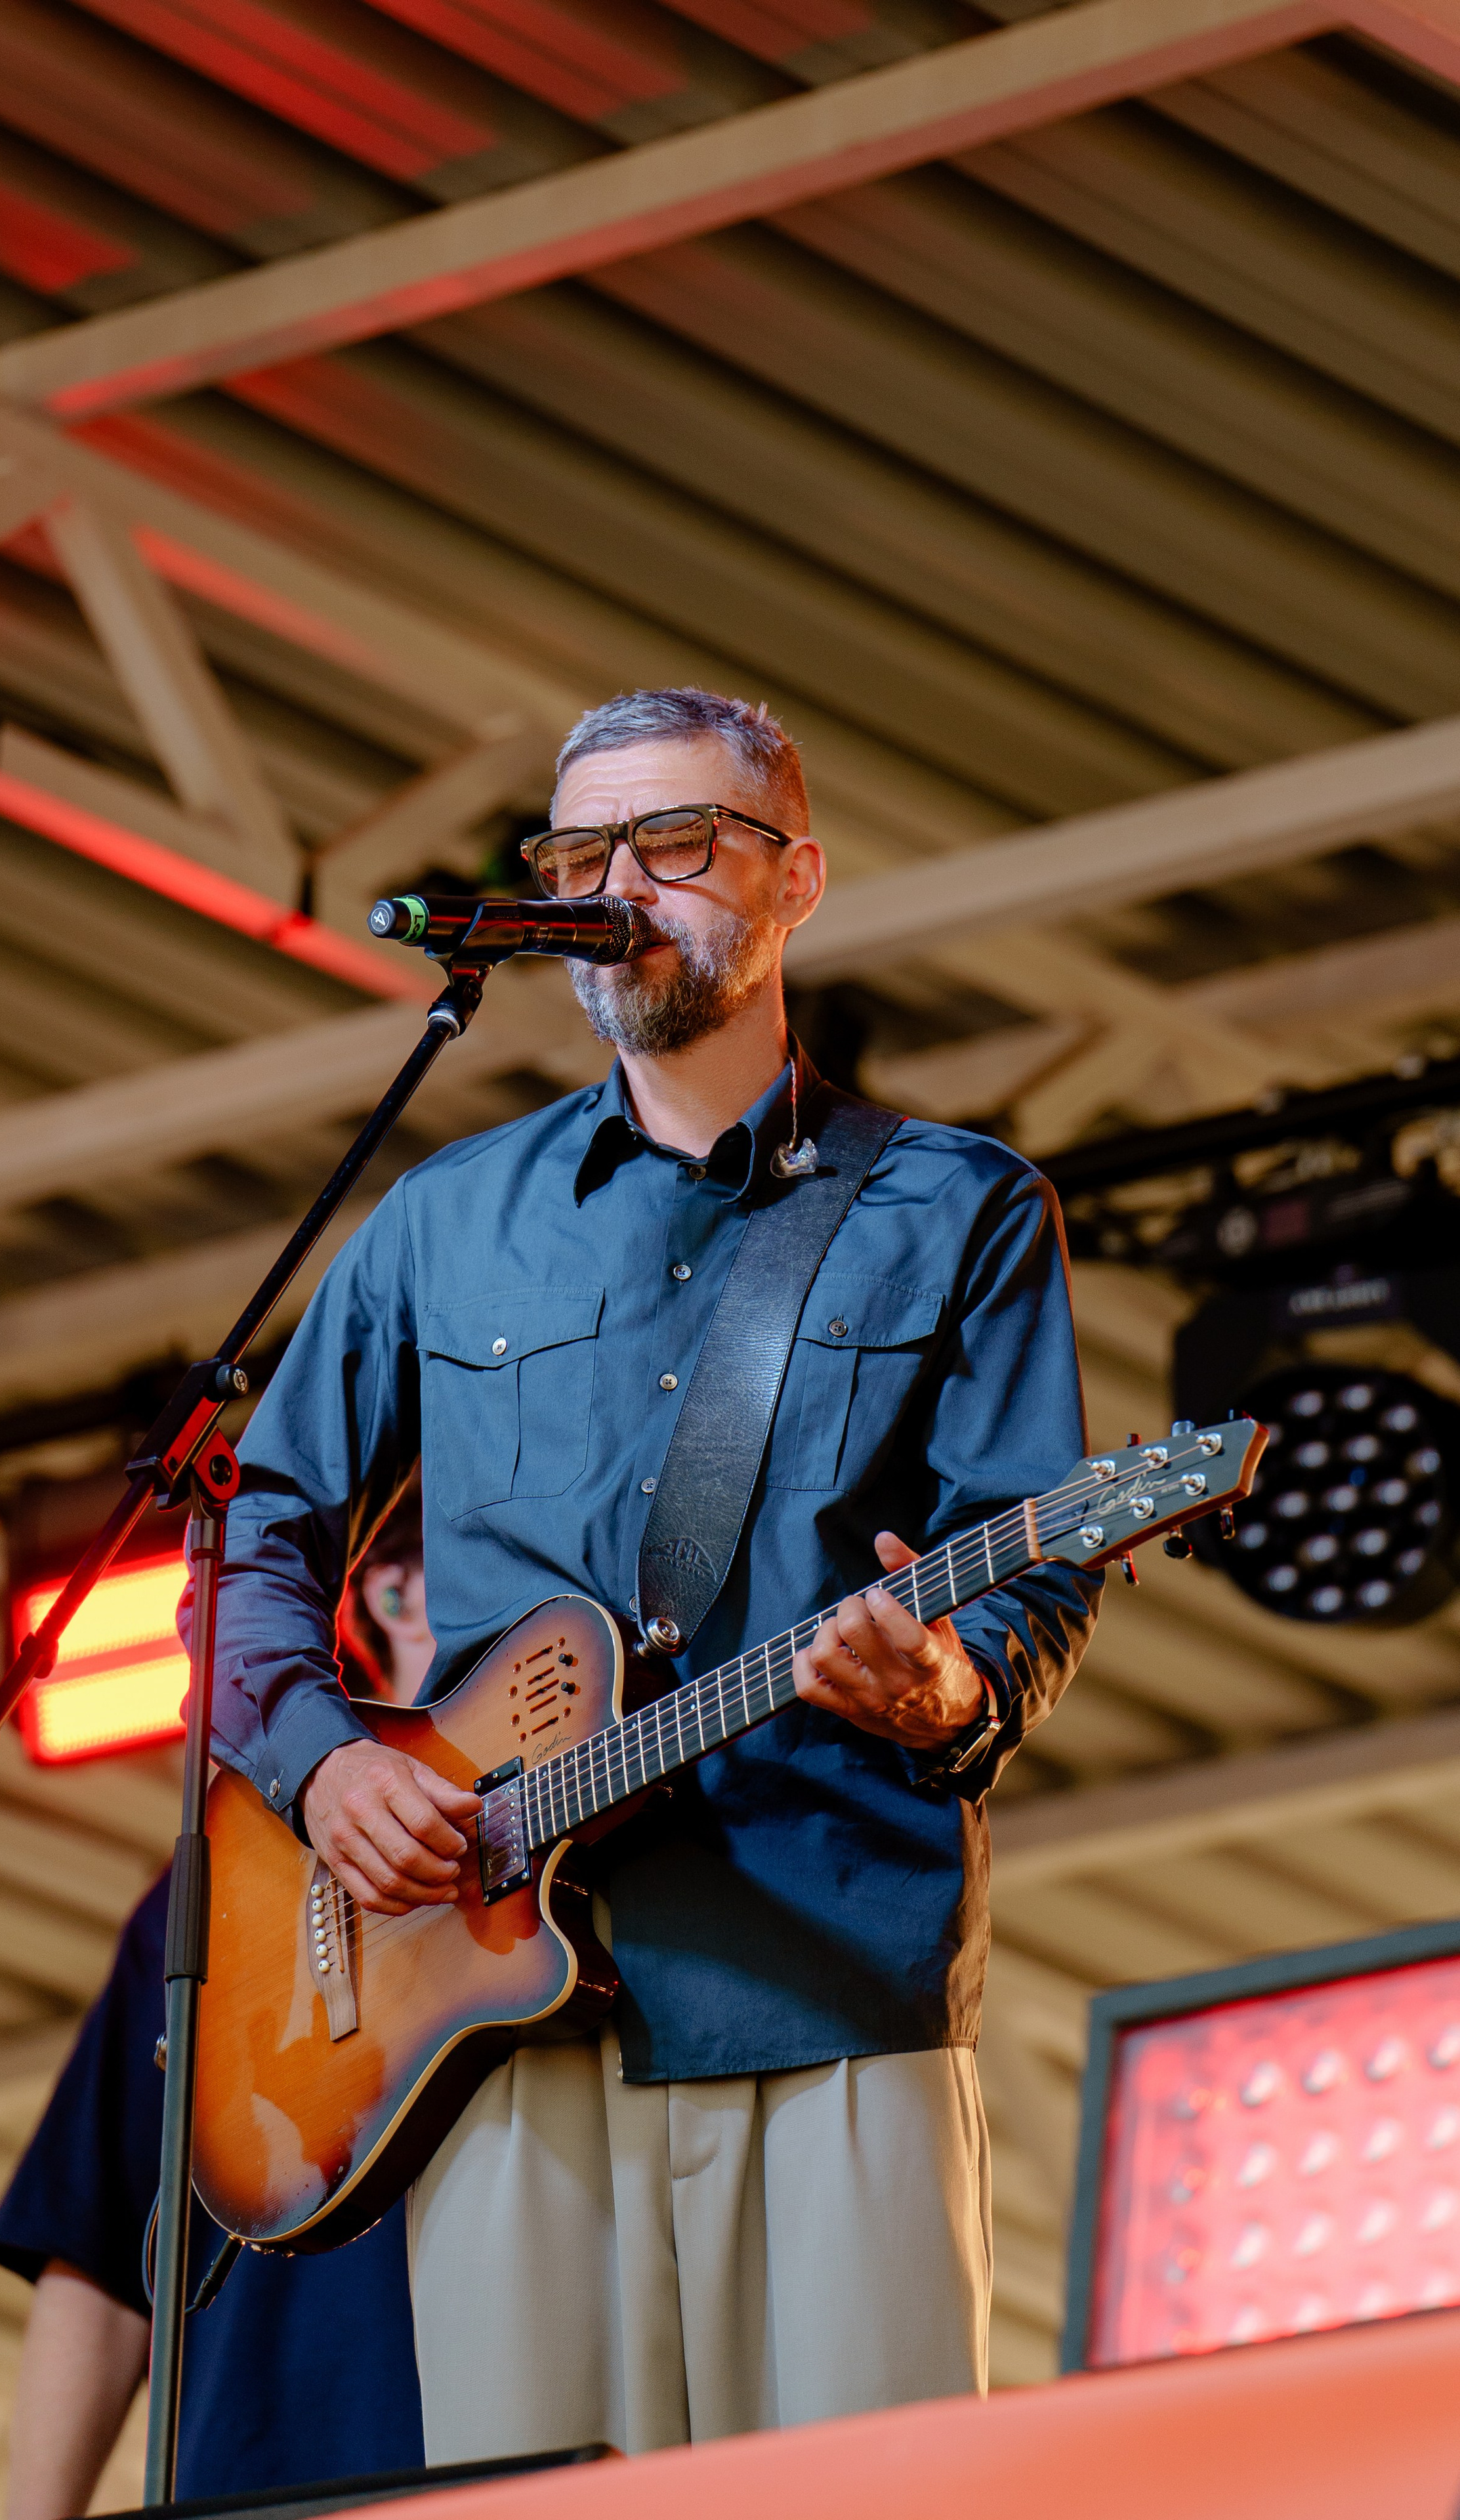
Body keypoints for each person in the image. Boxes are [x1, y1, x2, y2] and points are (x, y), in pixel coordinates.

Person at [205, 686, 1102, 2459]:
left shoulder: (955, 1206)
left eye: (676, 843)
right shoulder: (447, 1221)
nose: (622, 883)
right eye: (581, 851)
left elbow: (1041, 1560)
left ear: (798, 881)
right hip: (494, 2012)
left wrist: (955, 1682)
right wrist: (328, 1764)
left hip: (828, 1972)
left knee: (881, 2498)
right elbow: (257, 1533)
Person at [0, 1494, 432, 2519]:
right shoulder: (206, 1895)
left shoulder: (581, 1855)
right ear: (386, 1594)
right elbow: (96, 2260)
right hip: (250, 2474)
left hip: (517, 2454)